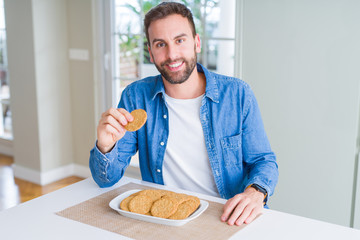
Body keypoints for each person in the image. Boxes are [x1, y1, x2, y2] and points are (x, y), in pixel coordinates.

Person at [89, 2, 278, 226]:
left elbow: (264, 161)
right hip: (162, 219)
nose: (172, 54)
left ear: (196, 43)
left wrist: (255, 192)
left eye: (180, 40)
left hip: (226, 216)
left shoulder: (238, 94)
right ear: (150, 52)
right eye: (160, 44)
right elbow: (105, 180)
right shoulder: (135, 96)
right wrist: (105, 145)